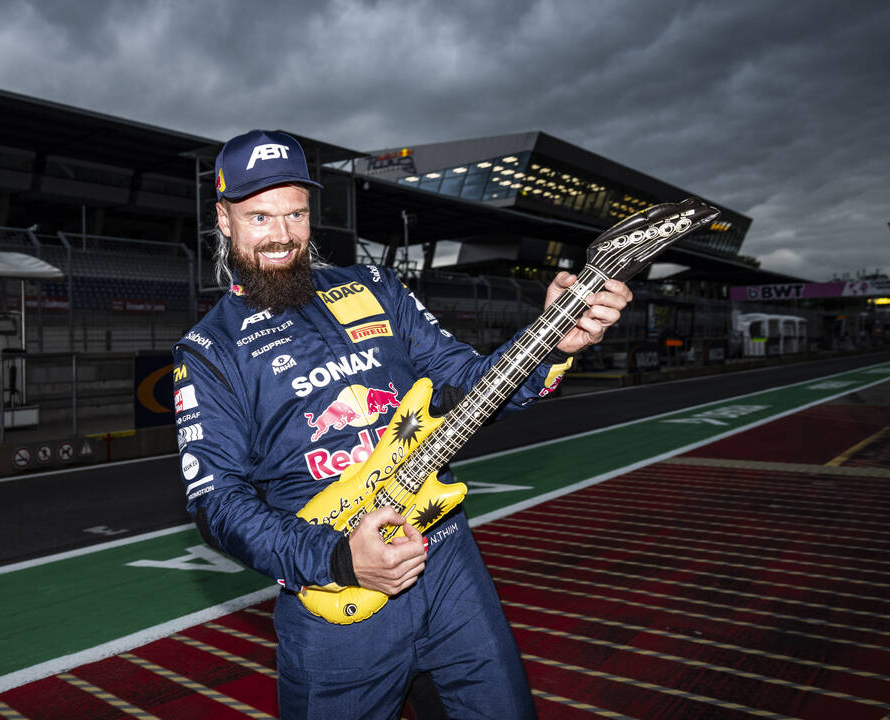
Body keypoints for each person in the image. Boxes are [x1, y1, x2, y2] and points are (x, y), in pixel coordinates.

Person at [172, 129, 632, 719]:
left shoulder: (375, 288)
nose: (282, 235)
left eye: (296, 214)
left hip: (448, 566)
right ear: (224, 219)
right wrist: (341, 558)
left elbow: (473, 384)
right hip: (336, 596)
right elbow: (218, 504)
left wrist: (552, 342)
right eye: (260, 217)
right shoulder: (210, 350)